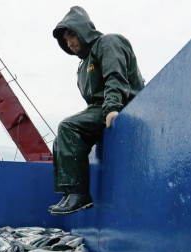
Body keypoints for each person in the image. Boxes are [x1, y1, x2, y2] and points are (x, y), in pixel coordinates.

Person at [49, 6, 145, 215]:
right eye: (66, 40)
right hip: (99, 108)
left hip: (123, 103)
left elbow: (115, 77)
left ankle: (79, 194)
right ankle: (68, 193)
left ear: (83, 29)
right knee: (60, 139)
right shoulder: (83, 65)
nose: (70, 43)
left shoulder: (108, 42)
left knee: (67, 126)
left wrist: (113, 108)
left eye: (72, 35)